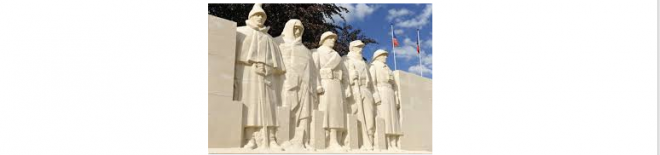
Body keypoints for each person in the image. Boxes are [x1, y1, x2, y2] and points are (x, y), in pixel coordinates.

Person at [234, 3, 285, 150]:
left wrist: (268, 69)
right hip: (247, 75)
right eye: (257, 15)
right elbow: (234, 57)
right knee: (250, 105)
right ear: (251, 16)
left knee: (270, 107)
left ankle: (272, 138)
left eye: (262, 16)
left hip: (266, 79)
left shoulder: (269, 39)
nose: (260, 18)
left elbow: (279, 67)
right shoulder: (240, 32)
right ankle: (250, 138)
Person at [312, 31, 350, 151]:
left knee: (338, 111)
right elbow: (314, 71)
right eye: (330, 38)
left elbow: (344, 74)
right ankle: (330, 139)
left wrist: (347, 88)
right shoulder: (317, 53)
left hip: (337, 85)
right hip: (325, 83)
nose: (333, 40)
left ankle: (337, 139)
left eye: (334, 38)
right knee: (328, 111)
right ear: (324, 40)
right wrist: (318, 85)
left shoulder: (337, 55)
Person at [341, 40, 377, 150]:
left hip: (366, 90)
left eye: (361, 47)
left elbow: (371, 81)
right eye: (358, 47)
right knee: (355, 114)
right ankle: (353, 140)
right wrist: (351, 78)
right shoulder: (346, 60)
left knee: (369, 115)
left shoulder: (364, 63)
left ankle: (370, 139)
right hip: (354, 89)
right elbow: (343, 76)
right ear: (352, 48)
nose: (361, 49)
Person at [370, 50, 402, 151]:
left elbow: (395, 86)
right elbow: (372, 83)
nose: (385, 57)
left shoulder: (389, 69)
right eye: (383, 55)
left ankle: (394, 143)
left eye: (386, 56)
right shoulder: (374, 66)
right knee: (385, 117)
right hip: (381, 91)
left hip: (390, 92)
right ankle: (387, 142)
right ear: (377, 56)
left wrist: (396, 97)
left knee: (393, 119)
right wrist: (376, 96)